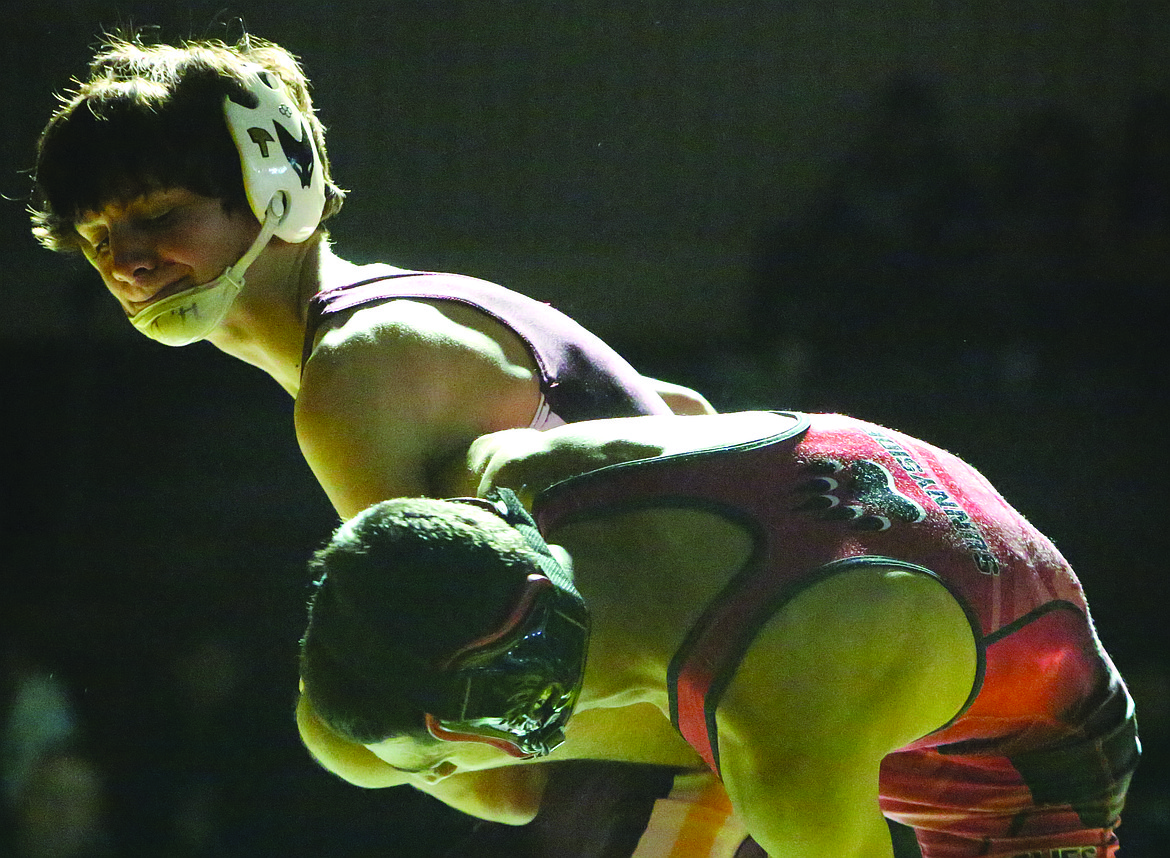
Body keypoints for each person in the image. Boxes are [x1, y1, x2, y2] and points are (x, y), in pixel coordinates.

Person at [30, 30, 719, 858]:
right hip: (744, 657)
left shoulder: (353, 373)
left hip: (704, 722)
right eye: (97, 235)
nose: (127, 261)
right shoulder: (416, 308)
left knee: (343, 722)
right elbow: (687, 409)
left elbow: (431, 656)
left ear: (274, 184)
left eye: (158, 215)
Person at [297, 410, 1140, 858]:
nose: (447, 779)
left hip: (1030, 754)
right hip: (849, 560)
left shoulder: (784, 741)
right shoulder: (517, 472)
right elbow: (685, 408)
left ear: (517, 717)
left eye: (446, 762)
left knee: (372, 757)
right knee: (357, 747)